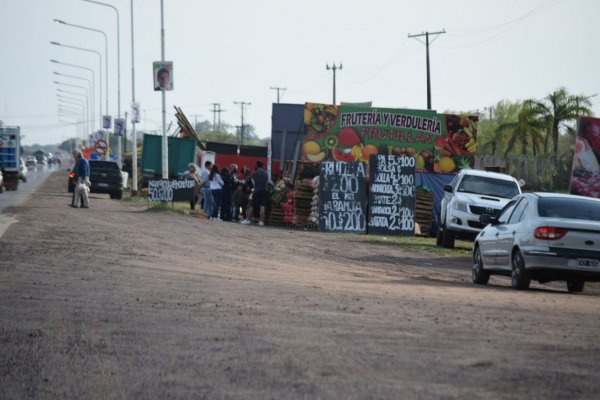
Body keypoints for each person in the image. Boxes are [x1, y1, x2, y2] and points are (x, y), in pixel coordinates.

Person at [242, 160, 268, 226]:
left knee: (252, 206)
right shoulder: (266, 173)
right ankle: (261, 221)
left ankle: (247, 220)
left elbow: (252, 182)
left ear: (256, 165)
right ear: (262, 165)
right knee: (262, 206)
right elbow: (267, 182)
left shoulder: (254, 173)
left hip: (257, 191)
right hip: (264, 190)